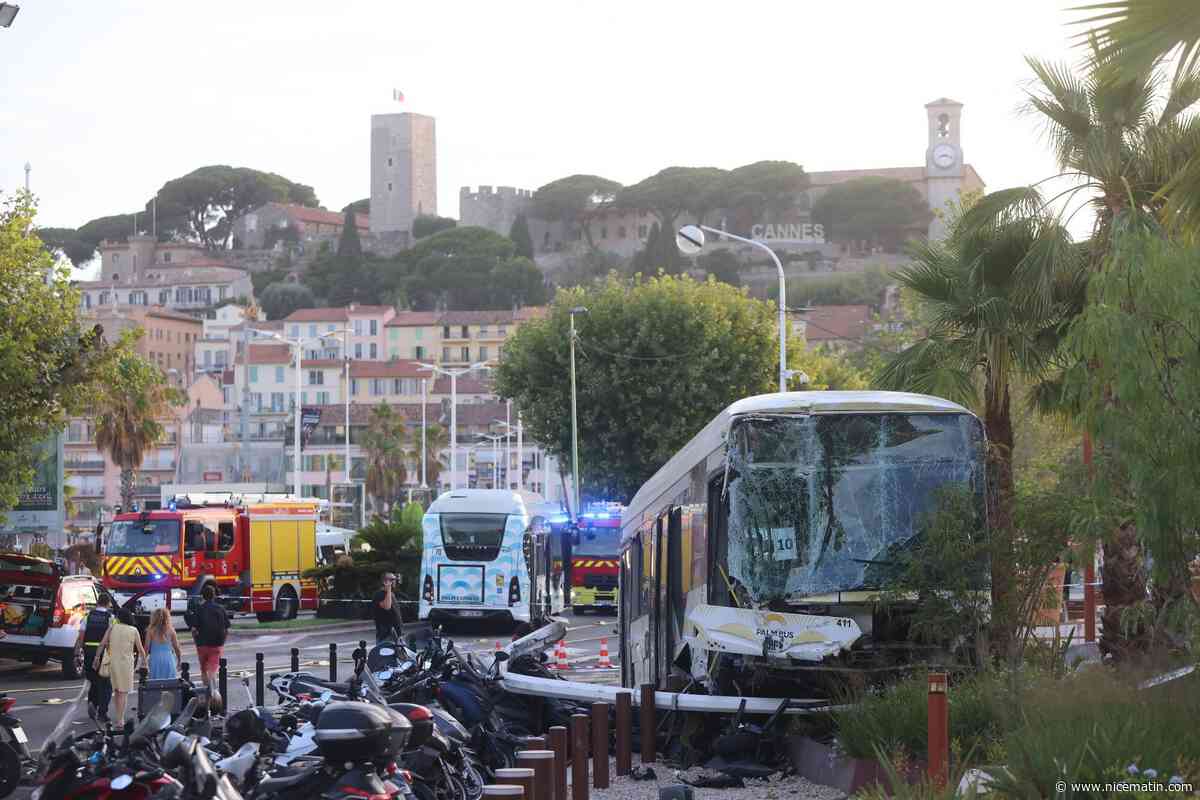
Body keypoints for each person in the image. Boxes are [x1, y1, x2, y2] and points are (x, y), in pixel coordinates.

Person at [92, 607, 145, 725]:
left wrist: (96, 658)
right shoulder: (133, 630)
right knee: (123, 692)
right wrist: (144, 663)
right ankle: (120, 719)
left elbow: (102, 644)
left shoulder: (112, 628)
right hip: (126, 664)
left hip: (113, 663)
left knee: (116, 691)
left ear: (119, 618)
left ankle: (119, 716)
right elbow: (141, 649)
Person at [74, 592, 113, 723]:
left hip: (89, 652)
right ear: (107, 603)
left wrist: (77, 653)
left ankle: (92, 707)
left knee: (94, 681)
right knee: (106, 684)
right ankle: (102, 712)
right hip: (104, 653)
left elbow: (81, 637)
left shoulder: (88, 616)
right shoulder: (110, 618)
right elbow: (113, 636)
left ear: (97, 602)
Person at [189, 584, 229, 709]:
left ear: (203, 596)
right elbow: (227, 627)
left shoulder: (199, 609)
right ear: (214, 595)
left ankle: (207, 691)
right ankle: (214, 693)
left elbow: (194, 629)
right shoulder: (221, 609)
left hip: (202, 644)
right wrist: (223, 641)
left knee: (203, 669)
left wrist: (196, 641)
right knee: (213, 669)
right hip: (217, 644)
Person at [144, 608, 182, 680]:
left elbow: (146, 647)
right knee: (170, 684)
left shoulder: (150, 630)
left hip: (155, 659)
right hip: (168, 659)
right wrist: (179, 661)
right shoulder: (171, 630)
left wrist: (144, 661)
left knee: (155, 685)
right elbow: (177, 648)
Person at [373, 573, 401, 643]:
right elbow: (387, 607)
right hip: (386, 635)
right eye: (392, 580)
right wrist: (388, 589)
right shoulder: (379, 594)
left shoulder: (391, 594)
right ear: (384, 582)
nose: (394, 582)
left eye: (395, 579)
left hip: (395, 634)